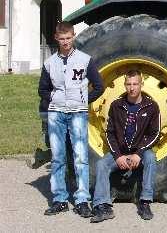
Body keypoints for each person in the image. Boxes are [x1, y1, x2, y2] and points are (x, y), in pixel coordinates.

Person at [38, 21, 103, 217]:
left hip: (77, 113)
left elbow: (99, 86)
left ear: (73, 37)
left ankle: (82, 199)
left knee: (81, 157)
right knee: (58, 158)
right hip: (56, 113)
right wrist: (56, 99)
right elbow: (42, 89)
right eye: (62, 39)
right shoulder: (50, 63)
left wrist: (83, 101)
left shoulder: (84, 60)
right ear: (56, 39)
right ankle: (59, 199)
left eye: (68, 38)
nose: (65, 42)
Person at [90, 70, 160, 222]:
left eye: (135, 84)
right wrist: (117, 155)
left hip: (139, 153)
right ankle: (103, 205)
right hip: (120, 151)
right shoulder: (116, 105)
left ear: (141, 84)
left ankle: (145, 202)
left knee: (151, 158)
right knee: (102, 164)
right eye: (129, 84)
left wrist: (139, 153)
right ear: (124, 85)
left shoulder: (151, 106)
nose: (132, 88)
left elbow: (154, 133)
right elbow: (110, 133)